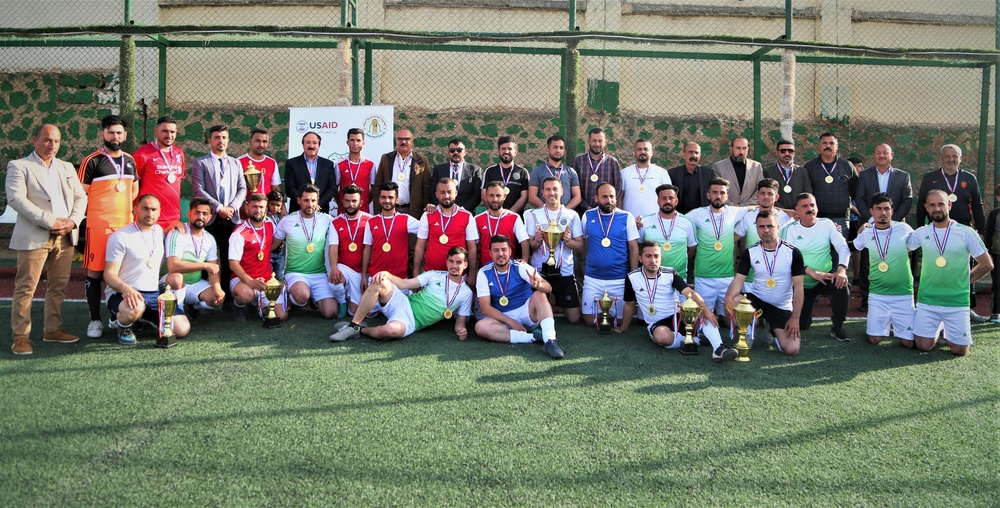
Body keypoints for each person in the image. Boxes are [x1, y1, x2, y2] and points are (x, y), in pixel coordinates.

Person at [7, 124, 88, 354]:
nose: (52, 145)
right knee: (26, 288)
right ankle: (20, 336)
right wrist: (50, 221)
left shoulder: (66, 168)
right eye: (47, 140)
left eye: (57, 141)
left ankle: (52, 330)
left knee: (58, 287)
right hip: (35, 236)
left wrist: (73, 221)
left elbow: (80, 197)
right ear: (35, 140)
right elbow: (16, 200)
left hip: (65, 237)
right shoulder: (19, 166)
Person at [615, 240, 738, 362]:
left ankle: (719, 349)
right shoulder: (632, 277)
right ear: (640, 258)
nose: (653, 260)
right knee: (662, 337)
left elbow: (690, 293)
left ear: (661, 257)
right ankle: (697, 340)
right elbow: (630, 305)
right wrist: (623, 328)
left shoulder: (670, 273)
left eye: (656, 256)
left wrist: (707, 311)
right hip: (658, 323)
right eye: (648, 256)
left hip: (679, 316)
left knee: (701, 311)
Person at [907, 189, 993, 355]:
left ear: (949, 205)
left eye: (941, 204)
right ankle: (939, 327)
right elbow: (897, 245)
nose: (937, 208)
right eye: (932, 205)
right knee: (923, 346)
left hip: (957, 301)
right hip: (928, 300)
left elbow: (986, 264)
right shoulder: (922, 232)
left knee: (960, 350)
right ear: (926, 207)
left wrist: (964, 281)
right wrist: (869, 228)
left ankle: (946, 328)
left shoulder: (966, 232)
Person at [329, 247, 475, 342]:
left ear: (465, 265)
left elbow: (460, 321)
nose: (454, 266)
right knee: (380, 282)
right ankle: (354, 325)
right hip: (403, 302)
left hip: (411, 322)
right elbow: (405, 284)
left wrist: (460, 330)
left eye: (459, 262)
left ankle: (361, 330)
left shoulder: (466, 293)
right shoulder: (434, 275)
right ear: (447, 262)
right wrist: (387, 275)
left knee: (389, 331)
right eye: (451, 261)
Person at [77, 115, 138, 339]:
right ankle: (95, 320)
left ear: (125, 135)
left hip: (125, 227)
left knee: (121, 273)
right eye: (111, 132)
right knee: (95, 273)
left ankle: (116, 315)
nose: (115, 136)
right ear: (103, 134)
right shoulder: (91, 161)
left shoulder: (130, 160)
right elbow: (79, 192)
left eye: (119, 133)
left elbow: (133, 191)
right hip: (100, 227)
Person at [915, 144, 988, 323]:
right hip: (937, 231)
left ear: (960, 158)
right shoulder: (930, 178)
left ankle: (967, 308)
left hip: (963, 231)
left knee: (966, 267)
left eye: (954, 156)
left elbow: (977, 205)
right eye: (947, 156)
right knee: (937, 267)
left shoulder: (969, 178)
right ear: (941, 158)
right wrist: (920, 229)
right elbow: (921, 205)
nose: (951, 159)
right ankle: (930, 306)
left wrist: (981, 231)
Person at [104, 194, 190, 344]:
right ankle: (123, 324)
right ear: (135, 209)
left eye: (153, 210)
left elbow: (164, 232)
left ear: (159, 212)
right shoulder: (120, 237)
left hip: (153, 294)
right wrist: (126, 290)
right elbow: (109, 274)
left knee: (182, 329)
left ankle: (143, 318)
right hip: (123, 293)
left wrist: (175, 223)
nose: (149, 214)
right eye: (145, 209)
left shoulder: (158, 231)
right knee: (135, 308)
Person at [724, 211, 804, 356]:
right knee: (734, 300)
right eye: (761, 227)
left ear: (778, 227)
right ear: (757, 229)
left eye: (770, 226)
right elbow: (738, 280)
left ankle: (772, 329)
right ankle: (747, 333)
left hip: (780, 306)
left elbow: (798, 288)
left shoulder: (793, 252)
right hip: (757, 301)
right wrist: (728, 298)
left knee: (792, 349)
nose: (766, 230)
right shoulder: (750, 252)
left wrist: (795, 318)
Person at [474, 235, 566, 359]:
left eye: (504, 249)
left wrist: (538, 285)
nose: (500, 254)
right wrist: (511, 322)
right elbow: (485, 308)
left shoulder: (520, 267)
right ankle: (532, 338)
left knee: (540, 295)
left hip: (526, 313)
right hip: (502, 319)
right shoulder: (484, 272)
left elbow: (548, 287)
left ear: (510, 251)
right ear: (490, 253)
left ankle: (550, 340)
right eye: (496, 250)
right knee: (480, 327)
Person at [779, 193, 852, 341]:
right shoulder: (789, 229)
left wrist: (842, 269)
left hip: (823, 278)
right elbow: (787, 258)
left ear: (817, 208)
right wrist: (811, 271)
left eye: (812, 205)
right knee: (802, 325)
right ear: (797, 211)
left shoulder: (827, 224)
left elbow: (843, 247)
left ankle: (837, 327)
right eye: (805, 206)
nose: (810, 209)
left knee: (842, 284)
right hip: (800, 283)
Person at [854, 144, 913, 312]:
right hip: (871, 224)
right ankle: (866, 298)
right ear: (873, 155)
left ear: (891, 155)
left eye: (885, 153)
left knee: (895, 261)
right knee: (867, 261)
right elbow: (859, 198)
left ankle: (895, 295)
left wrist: (889, 220)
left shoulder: (903, 176)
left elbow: (907, 200)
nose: (881, 156)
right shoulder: (865, 175)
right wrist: (873, 219)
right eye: (878, 153)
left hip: (894, 227)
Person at [852, 193, 916, 346]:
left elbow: (920, 243)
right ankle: (884, 325)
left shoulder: (903, 229)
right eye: (878, 209)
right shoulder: (866, 233)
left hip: (903, 294)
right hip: (878, 295)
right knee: (874, 340)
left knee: (908, 343)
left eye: (886, 209)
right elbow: (852, 247)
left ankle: (900, 323)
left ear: (892, 211)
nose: (883, 213)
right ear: (871, 211)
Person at [685, 177, 751, 324]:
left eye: (722, 193)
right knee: (703, 320)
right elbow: (676, 219)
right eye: (714, 192)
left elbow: (760, 207)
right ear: (708, 195)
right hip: (704, 277)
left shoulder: (733, 212)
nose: (718, 196)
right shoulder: (696, 214)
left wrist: (789, 212)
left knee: (731, 321)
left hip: (727, 277)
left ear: (727, 196)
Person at [192, 124, 247, 292]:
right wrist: (218, 208)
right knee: (204, 257)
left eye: (224, 137)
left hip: (231, 217)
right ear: (210, 140)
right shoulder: (200, 162)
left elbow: (242, 188)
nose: (220, 141)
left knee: (229, 257)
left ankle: (227, 295)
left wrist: (232, 207)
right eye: (216, 137)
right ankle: (202, 293)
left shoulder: (236, 163)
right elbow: (198, 189)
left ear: (228, 140)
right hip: (210, 218)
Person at [524, 176, 585, 324]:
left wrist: (569, 241)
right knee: (534, 317)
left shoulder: (572, 215)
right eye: (548, 189)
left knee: (574, 319)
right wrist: (537, 242)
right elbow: (530, 245)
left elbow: (581, 246)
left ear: (562, 191)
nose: (552, 193)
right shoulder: (533, 214)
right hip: (540, 272)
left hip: (564, 271)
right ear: (543, 193)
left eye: (555, 189)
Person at [273, 184, 340, 318]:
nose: (310, 204)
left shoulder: (327, 219)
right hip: (295, 273)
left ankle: (313, 299)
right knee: (302, 296)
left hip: (319, 274)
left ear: (318, 201)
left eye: (313, 200)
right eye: (306, 200)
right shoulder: (287, 221)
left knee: (331, 312)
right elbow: (272, 246)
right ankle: (289, 294)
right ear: (299, 201)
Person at [580, 183, 640, 326]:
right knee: (589, 320)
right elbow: (582, 243)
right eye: (604, 197)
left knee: (619, 321)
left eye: (612, 196)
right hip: (593, 278)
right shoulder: (588, 215)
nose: (609, 200)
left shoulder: (626, 217)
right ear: (596, 198)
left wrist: (633, 275)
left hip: (618, 279)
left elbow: (633, 248)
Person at [229, 193, 288, 323]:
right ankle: (239, 306)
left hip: (266, 281)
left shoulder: (270, 225)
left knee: (281, 317)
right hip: (243, 281)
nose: (258, 210)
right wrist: (250, 281)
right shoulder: (239, 233)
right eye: (254, 207)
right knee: (246, 295)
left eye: (261, 207)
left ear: (266, 209)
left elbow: (271, 245)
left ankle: (256, 305)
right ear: (247, 208)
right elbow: (233, 264)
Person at [162, 198, 225, 318]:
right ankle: (178, 311)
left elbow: (213, 270)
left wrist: (217, 288)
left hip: (194, 284)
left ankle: (192, 307)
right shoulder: (178, 233)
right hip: (170, 283)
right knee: (177, 278)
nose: (200, 216)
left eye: (204, 213)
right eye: (197, 212)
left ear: (210, 217)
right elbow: (173, 266)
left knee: (217, 299)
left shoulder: (210, 239)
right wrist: (204, 265)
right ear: (189, 214)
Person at [414, 178, 479, 278]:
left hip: (459, 276)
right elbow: (420, 246)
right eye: (442, 192)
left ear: (456, 193)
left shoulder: (467, 216)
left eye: (449, 192)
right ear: (436, 194)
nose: (446, 196)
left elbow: (472, 248)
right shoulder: (427, 215)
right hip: (432, 274)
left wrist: (472, 274)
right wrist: (416, 272)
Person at [362, 182, 421, 286]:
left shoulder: (406, 220)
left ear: (396, 199)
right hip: (375, 277)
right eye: (383, 197)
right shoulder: (371, 222)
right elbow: (367, 249)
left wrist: (433, 210)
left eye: (390, 197)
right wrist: (363, 276)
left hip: (400, 278)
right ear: (379, 199)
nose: (387, 201)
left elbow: (428, 228)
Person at [328, 185, 373, 317]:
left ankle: (349, 300)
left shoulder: (370, 220)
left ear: (361, 202)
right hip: (345, 268)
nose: (350, 204)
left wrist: (365, 275)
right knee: (334, 281)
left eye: (354, 201)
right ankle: (342, 301)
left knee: (359, 312)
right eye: (347, 201)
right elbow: (333, 247)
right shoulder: (336, 222)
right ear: (342, 202)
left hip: (363, 271)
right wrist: (334, 268)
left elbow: (369, 249)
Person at [133, 115, 184, 229]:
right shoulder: (142, 153)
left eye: (172, 132)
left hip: (173, 218)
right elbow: (132, 185)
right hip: (150, 217)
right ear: (156, 131)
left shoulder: (178, 152)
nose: (169, 135)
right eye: (165, 131)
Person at [638, 184, 696, 281]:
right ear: (658, 201)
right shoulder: (645, 221)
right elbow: (638, 246)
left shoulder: (687, 222)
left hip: (679, 277)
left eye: (671, 198)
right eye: (664, 198)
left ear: (676, 201)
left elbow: (692, 248)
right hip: (651, 277)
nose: (668, 201)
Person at [804, 132, 858, 236]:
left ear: (837, 146)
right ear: (819, 146)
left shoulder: (847, 166)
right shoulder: (810, 167)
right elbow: (807, 192)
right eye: (824, 143)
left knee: (839, 250)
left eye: (831, 143)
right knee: (819, 248)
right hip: (817, 217)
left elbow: (855, 191)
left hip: (841, 217)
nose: (828, 146)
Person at [372, 128, 433, 218]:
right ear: (396, 141)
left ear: (412, 141)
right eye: (400, 139)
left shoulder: (422, 160)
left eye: (407, 139)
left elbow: (426, 188)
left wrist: (425, 211)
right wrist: (377, 211)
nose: (403, 141)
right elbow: (378, 186)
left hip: (413, 211)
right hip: (390, 210)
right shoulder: (386, 158)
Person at [475, 181, 529, 267]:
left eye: (498, 195)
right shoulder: (477, 219)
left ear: (504, 196)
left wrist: (525, 261)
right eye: (491, 195)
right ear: (485, 197)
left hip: (508, 269)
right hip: (485, 269)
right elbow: (475, 247)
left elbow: (524, 242)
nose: (495, 199)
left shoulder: (514, 217)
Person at [285, 131, 337, 214]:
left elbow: (332, 189)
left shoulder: (328, 164)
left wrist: (317, 204)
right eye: (308, 142)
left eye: (314, 143)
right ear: (303, 145)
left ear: (319, 145)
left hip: (321, 210)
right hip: (298, 211)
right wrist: (304, 202)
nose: (311, 146)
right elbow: (290, 188)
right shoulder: (292, 163)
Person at [573, 127, 622, 214]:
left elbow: (618, 187)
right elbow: (574, 187)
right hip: (583, 212)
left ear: (605, 142)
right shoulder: (578, 161)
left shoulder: (612, 162)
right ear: (588, 141)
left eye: (600, 141)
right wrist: (587, 208)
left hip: (606, 212)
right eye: (594, 141)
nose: (597, 144)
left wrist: (608, 204)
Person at [620, 138, 671, 218]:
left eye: (646, 149)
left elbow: (668, 198)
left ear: (652, 152)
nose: (642, 152)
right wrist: (622, 219)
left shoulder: (662, 173)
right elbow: (619, 198)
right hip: (630, 222)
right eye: (639, 149)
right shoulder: (624, 173)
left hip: (655, 222)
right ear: (634, 152)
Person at [428, 139, 483, 213]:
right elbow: (433, 192)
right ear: (448, 152)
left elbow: (477, 195)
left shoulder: (475, 170)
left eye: (459, 150)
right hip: (443, 212)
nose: (455, 152)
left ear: (465, 152)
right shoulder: (439, 169)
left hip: (466, 212)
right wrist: (443, 209)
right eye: (452, 150)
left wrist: (462, 210)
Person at [528, 135, 581, 210]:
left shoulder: (571, 172)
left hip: (565, 218)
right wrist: (547, 211)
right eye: (555, 147)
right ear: (548, 150)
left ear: (564, 151)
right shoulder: (537, 171)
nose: (558, 150)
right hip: (544, 216)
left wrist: (564, 212)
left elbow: (577, 197)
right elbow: (532, 197)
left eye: (561, 148)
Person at [480, 136, 530, 214]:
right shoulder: (490, 171)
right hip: (494, 216)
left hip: (515, 216)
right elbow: (484, 194)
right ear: (499, 151)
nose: (506, 151)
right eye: (503, 149)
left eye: (509, 149)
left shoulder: (522, 172)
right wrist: (496, 212)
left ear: (515, 152)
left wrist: (510, 213)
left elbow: (524, 196)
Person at [712, 136, 763, 207]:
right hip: (727, 210)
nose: (741, 152)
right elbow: (716, 189)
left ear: (748, 149)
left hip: (749, 210)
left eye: (744, 148)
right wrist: (731, 205)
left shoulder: (756, 166)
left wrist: (745, 205)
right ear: (731, 148)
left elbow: (761, 189)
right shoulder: (719, 167)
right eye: (738, 148)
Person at [667, 142, 716, 215]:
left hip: (702, 216)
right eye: (690, 152)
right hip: (679, 216)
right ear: (683, 155)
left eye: (696, 153)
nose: (694, 155)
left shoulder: (709, 173)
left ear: (700, 156)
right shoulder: (673, 173)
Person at [762, 139, 811, 211]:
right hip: (778, 212)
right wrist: (785, 211)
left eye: (790, 151)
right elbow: (768, 194)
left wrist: (797, 209)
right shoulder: (768, 172)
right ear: (777, 152)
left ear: (794, 153)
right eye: (783, 151)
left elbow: (807, 192)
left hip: (798, 213)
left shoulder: (802, 171)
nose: (787, 153)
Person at [335, 128, 376, 208]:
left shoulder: (370, 165)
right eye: (352, 140)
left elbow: (374, 189)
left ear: (363, 143)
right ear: (347, 142)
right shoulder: (339, 165)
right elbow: (334, 189)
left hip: (363, 210)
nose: (355, 143)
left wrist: (365, 202)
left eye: (358, 140)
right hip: (344, 211)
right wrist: (341, 203)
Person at [237, 128, 282, 198]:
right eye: (257, 141)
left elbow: (275, 188)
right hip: (245, 207)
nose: (261, 144)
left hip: (266, 207)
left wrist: (282, 207)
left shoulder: (272, 163)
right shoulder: (238, 162)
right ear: (250, 142)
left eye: (264, 141)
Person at [986, 184, 1000, 323]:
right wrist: (988, 253)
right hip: (997, 254)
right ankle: (996, 312)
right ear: (998, 197)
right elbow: (989, 234)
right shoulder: (994, 214)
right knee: (997, 284)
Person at [265, 189, 286, 283]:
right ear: (268, 203)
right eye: (272, 204)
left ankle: (280, 296)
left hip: (280, 252)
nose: (275, 207)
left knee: (279, 276)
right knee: (267, 275)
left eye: (278, 205)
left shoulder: (283, 217)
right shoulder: (265, 217)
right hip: (268, 251)